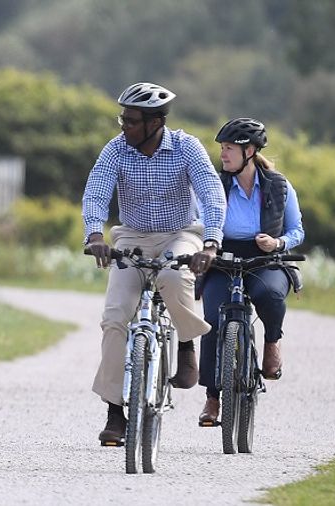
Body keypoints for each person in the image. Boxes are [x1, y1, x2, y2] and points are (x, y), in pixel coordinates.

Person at [82, 82, 227, 445]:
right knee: (115, 316)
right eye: (123, 119)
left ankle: (186, 346)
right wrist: (95, 236)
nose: (124, 126)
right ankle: (115, 412)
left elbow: (211, 193)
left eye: (131, 121)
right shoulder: (116, 149)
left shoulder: (185, 147)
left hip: (181, 233)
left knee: (173, 278)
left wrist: (210, 243)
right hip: (132, 236)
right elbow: (97, 190)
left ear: (155, 122)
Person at [198, 118, 304, 425]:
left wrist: (278, 242)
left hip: (265, 259)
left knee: (269, 294)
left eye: (229, 148)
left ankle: (272, 342)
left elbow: (297, 229)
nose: (223, 154)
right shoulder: (215, 185)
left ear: (250, 151)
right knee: (213, 321)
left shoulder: (279, 185)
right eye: (222, 148)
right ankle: (212, 398)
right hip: (223, 257)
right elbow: (198, 218)